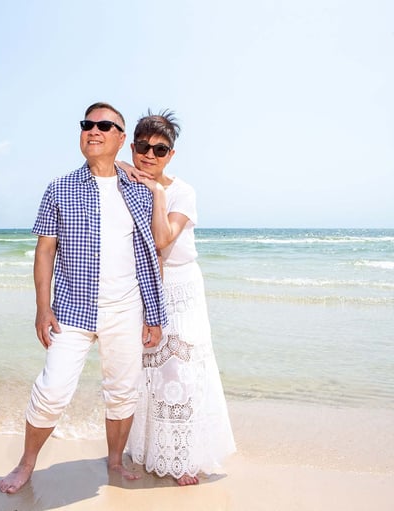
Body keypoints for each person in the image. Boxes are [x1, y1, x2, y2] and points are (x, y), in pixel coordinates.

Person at [0, 102, 167, 494]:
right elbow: (45, 251)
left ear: (120, 139)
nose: (94, 130)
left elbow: (151, 254)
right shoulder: (59, 188)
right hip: (72, 309)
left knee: (123, 391)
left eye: (105, 125)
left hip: (126, 310)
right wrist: (42, 307)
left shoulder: (139, 191)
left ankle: (113, 460)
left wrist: (153, 315)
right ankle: (26, 464)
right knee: (52, 390)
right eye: (87, 124)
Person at [119, 110, 236, 486]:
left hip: (182, 289)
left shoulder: (182, 192)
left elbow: (163, 239)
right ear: (133, 145)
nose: (149, 155)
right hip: (145, 287)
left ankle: (183, 458)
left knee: (182, 370)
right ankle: (152, 450)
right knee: (149, 370)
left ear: (171, 154)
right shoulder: (125, 180)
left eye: (160, 149)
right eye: (142, 147)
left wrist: (155, 191)